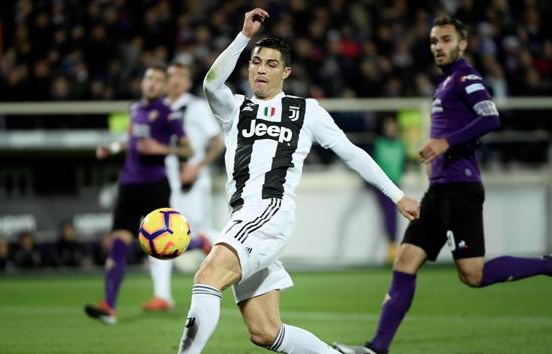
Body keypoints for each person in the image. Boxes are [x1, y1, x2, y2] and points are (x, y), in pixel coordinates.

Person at [177, 9, 419, 354]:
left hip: (269, 210)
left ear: (286, 72)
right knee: (264, 331)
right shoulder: (235, 108)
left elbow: (352, 153)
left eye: (271, 64)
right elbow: (211, 83)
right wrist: (244, 36)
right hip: (243, 216)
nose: (260, 69)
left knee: (207, 276)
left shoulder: (305, 111)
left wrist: (398, 196)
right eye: (256, 62)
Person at [333, 17, 552, 354]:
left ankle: (548, 265)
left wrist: (446, 142)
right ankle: (376, 348)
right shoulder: (446, 82)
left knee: (472, 274)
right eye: (435, 41)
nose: (439, 46)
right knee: (405, 261)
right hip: (438, 191)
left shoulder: (466, 77)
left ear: (462, 44)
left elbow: (491, 116)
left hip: (460, 190)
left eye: (446, 40)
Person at [83, 65, 193, 325]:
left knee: (166, 241)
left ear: (165, 87)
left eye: (158, 80)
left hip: (155, 184)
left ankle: (198, 240)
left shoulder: (169, 114)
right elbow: (131, 138)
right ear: (143, 83)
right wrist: (112, 148)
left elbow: (188, 151)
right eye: (148, 78)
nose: (152, 83)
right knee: (119, 242)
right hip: (129, 184)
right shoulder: (134, 109)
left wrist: (162, 148)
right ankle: (109, 307)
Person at [143, 62, 224, 311]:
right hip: (164, 182)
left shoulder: (197, 107)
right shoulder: (158, 108)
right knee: (155, 232)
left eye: (181, 76)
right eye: (171, 76)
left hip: (192, 182)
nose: (175, 80)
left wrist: (196, 167)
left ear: (188, 83)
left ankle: (245, 256)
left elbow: (217, 143)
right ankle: (162, 295)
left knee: (196, 231)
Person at [370, 116, 406, 263]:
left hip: (396, 183)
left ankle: (393, 249)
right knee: (389, 214)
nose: (390, 129)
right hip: (382, 185)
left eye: (392, 126)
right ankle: (393, 249)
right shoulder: (378, 143)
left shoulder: (400, 144)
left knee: (394, 215)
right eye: (388, 126)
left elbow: (402, 163)